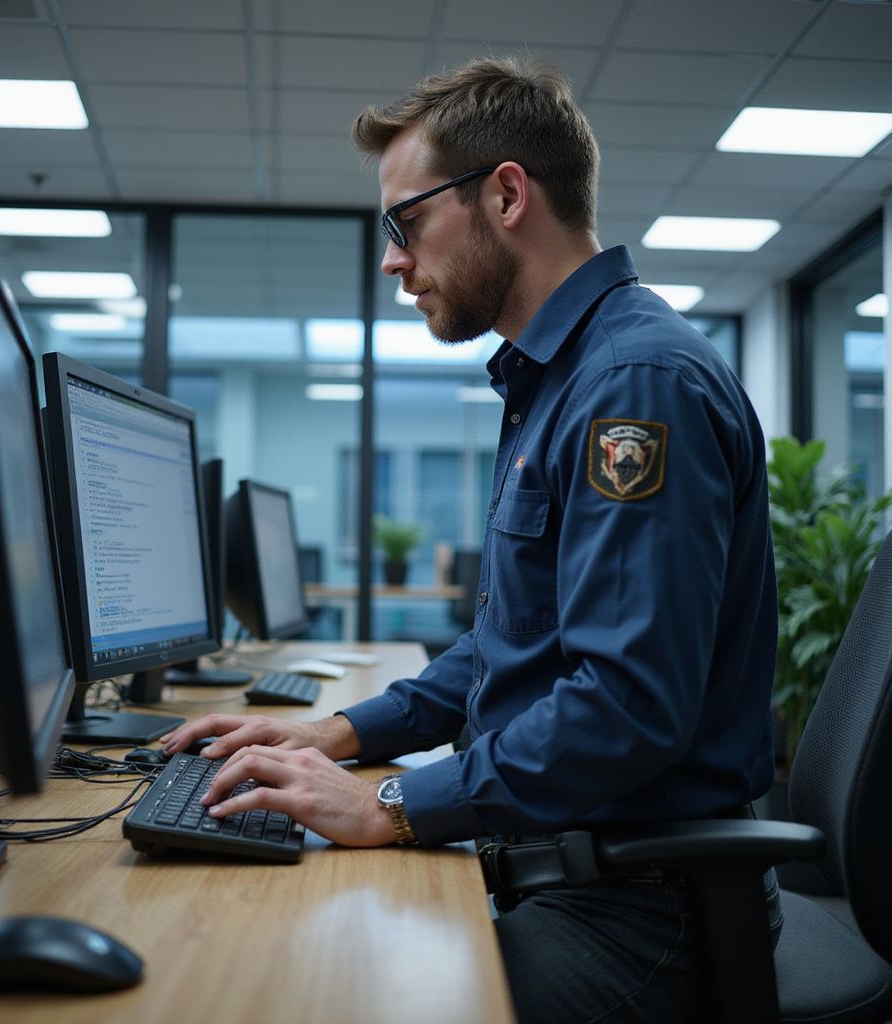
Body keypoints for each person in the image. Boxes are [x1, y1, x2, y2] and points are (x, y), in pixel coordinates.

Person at [162, 55, 778, 1024]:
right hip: (565, 868)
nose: (391, 260)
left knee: (300, 987)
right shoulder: (558, 378)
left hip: (634, 910)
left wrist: (392, 805)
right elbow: (513, 647)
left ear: (504, 194)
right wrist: (342, 732)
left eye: (405, 223)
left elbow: (626, 704)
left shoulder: (633, 386)